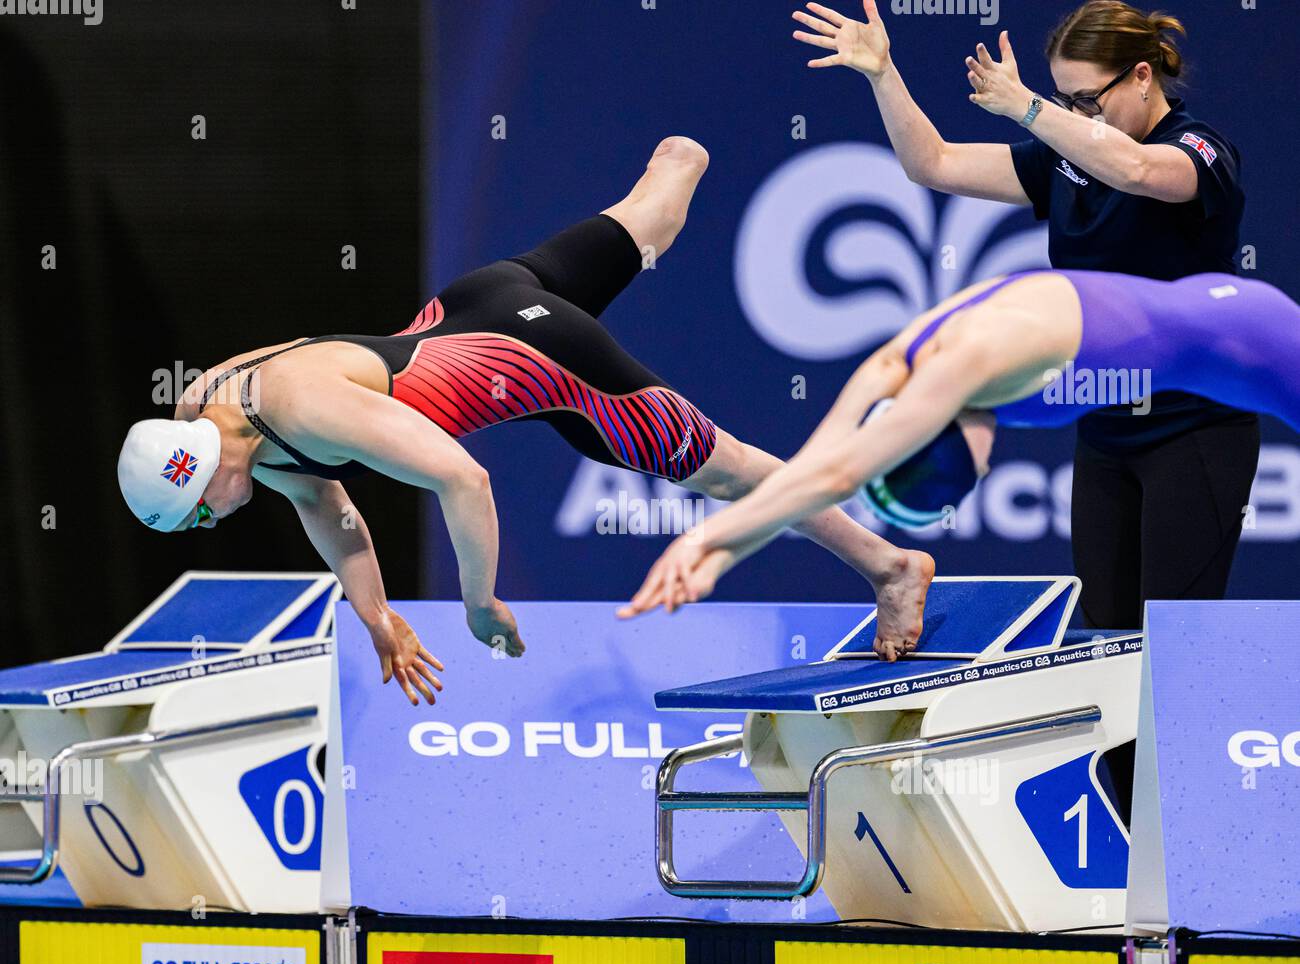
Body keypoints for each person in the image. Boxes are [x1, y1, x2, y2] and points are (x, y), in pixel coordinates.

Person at [117, 138, 935, 704]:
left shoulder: (302, 409)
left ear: (203, 473)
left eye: (198, 513)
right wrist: (379, 618)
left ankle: (889, 565)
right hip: (480, 299)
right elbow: (332, 511)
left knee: (731, 470)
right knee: (651, 212)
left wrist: (479, 601)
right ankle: (680, 159)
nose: (209, 523)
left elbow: (462, 477)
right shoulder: (211, 402)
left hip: (541, 360)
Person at [792, 0, 1257, 629]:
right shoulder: (1063, 160)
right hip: (1105, 428)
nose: (1076, 116)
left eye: (1088, 100)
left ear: (1143, 77)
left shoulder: (1200, 149)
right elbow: (932, 163)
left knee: (1175, 639)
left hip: (1195, 429)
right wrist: (883, 73)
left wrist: (1029, 108)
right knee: (1106, 638)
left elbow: (1139, 170)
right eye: (1065, 100)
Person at [621, 267, 1299, 617]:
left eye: (971, 472)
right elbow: (811, 471)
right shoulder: (890, 369)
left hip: (1250, 337)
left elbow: (836, 480)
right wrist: (723, 555)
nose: (988, 463)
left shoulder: (974, 359)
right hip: (1210, 356)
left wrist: (700, 539)